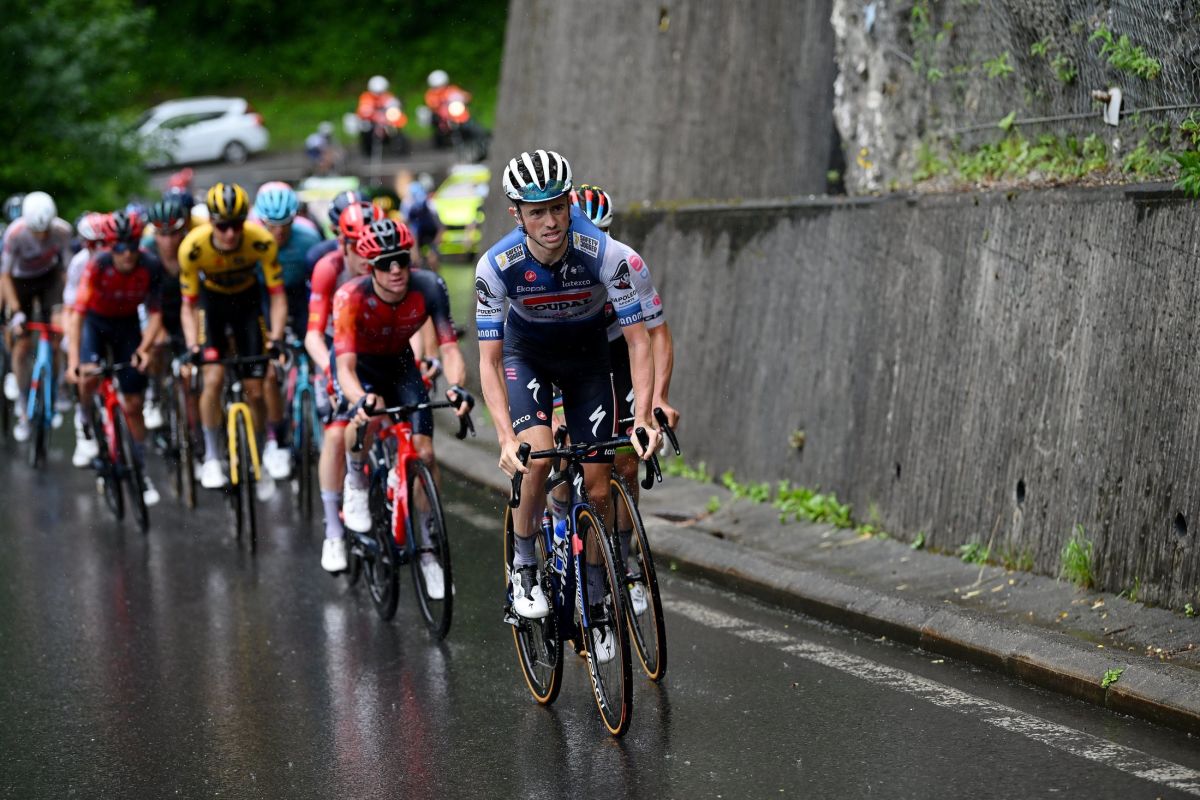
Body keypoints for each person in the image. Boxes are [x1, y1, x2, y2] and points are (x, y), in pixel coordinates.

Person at [475, 150, 660, 658]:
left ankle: (595, 600)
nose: (551, 221)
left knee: (599, 488)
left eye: (558, 207)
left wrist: (644, 415)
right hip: (528, 358)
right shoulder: (497, 266)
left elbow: (638, 341)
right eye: (537, 212)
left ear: (570, 203)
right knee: (537, 460)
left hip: (587, 362)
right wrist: (505, 438)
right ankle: (524, 566)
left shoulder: (604, 254)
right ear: (517, 214)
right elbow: (489, 362)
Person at [330, 218, 474, 587]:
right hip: (360, 367)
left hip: (400, 365)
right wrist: (359, 399)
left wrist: (456, 387)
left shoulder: (429, 286)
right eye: (384, 263)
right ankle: (356, 481)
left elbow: (449, 348)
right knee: (364, 417)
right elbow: (344, 368)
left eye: (401, 260)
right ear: (369, 267)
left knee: (425, 453)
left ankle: (426, 548)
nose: (395, 270)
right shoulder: (350, 297)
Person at [570, 183, 679, 615]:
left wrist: (659, 399)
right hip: (566, 353)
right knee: (562, 451)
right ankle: (560, 529)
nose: (594, 244)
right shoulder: (552, 267)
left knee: (627, 458)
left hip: (615, 352)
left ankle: (622, 554)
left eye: (603, 233)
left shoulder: (626, 262)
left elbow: (657, 334)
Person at [179, 182, 286, 500]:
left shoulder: (261, 241)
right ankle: (212, 456)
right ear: (211, 222)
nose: (230, 233)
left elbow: (277, 296)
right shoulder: (193, 248)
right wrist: (193, 344)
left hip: (247, 307)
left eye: (237, 225)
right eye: (223, 226)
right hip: (211, 307)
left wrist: (276, 337)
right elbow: (188, 305)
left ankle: (260, 450)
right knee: (212, 377)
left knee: (257, 388)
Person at [67, 211, 163, 506]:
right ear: (110, 247)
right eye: (120, 247)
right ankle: (86, 424)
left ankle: (140, 470)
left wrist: (144, 349)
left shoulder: (150, 265)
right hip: (96, 324)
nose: (127, 254)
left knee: (133, 404)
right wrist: (73, 362)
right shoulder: (97, 265)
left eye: (132, 246)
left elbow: (156, 314)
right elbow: (77, 316)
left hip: (127, 326)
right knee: (88, 376)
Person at [306, 201, 380, 570]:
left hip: (377, 350)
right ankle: (333, 531)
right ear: (343, 245)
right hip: (335, 352)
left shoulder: (390, 263)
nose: (367, 254)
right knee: (336, 436)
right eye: (357, 246)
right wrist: (329, 371)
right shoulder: (328, 269)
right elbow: (313, 335)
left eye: (372, 243)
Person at [252, 181, 323, 480]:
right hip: (263, 299)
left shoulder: (309, 238)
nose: (279, 232)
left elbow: (322, 284)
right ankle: (275, 438)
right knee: (270, 371)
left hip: (299, 296)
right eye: (272, 225)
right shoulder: (250, 239)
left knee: (319, 353)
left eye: (286, 224)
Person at [1, 191, 73, 442]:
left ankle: (59, 386)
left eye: (45, 232)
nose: (42, 237)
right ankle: (22, 404)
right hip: (20, 281)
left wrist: (68, 306)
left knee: (58, 332)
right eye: (36, 232)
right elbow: (5, 276)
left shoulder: (62, 230)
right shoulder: (15, 233)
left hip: (49, 279)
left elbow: (67, 270)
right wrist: (16, 311)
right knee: (22, 344)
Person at [63, 212, 111, 467]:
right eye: (93, 245)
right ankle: (83, 420)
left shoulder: (119, 259)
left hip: (116, 316)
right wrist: (70, 344)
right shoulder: (79, 263)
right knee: (87, 374)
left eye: (104, 243)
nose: (99, 250)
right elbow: (71, 309)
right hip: (88, 318)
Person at [356, 75, 405, 158]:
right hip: (372, 122)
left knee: (397, 126)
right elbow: (364, 110)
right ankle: (368, 151)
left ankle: (399, 149)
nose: (378, 94)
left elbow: (394, 106)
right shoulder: (366, 97)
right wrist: (376, 116)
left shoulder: (388, 96)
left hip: (387, 121)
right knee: (366, 128)